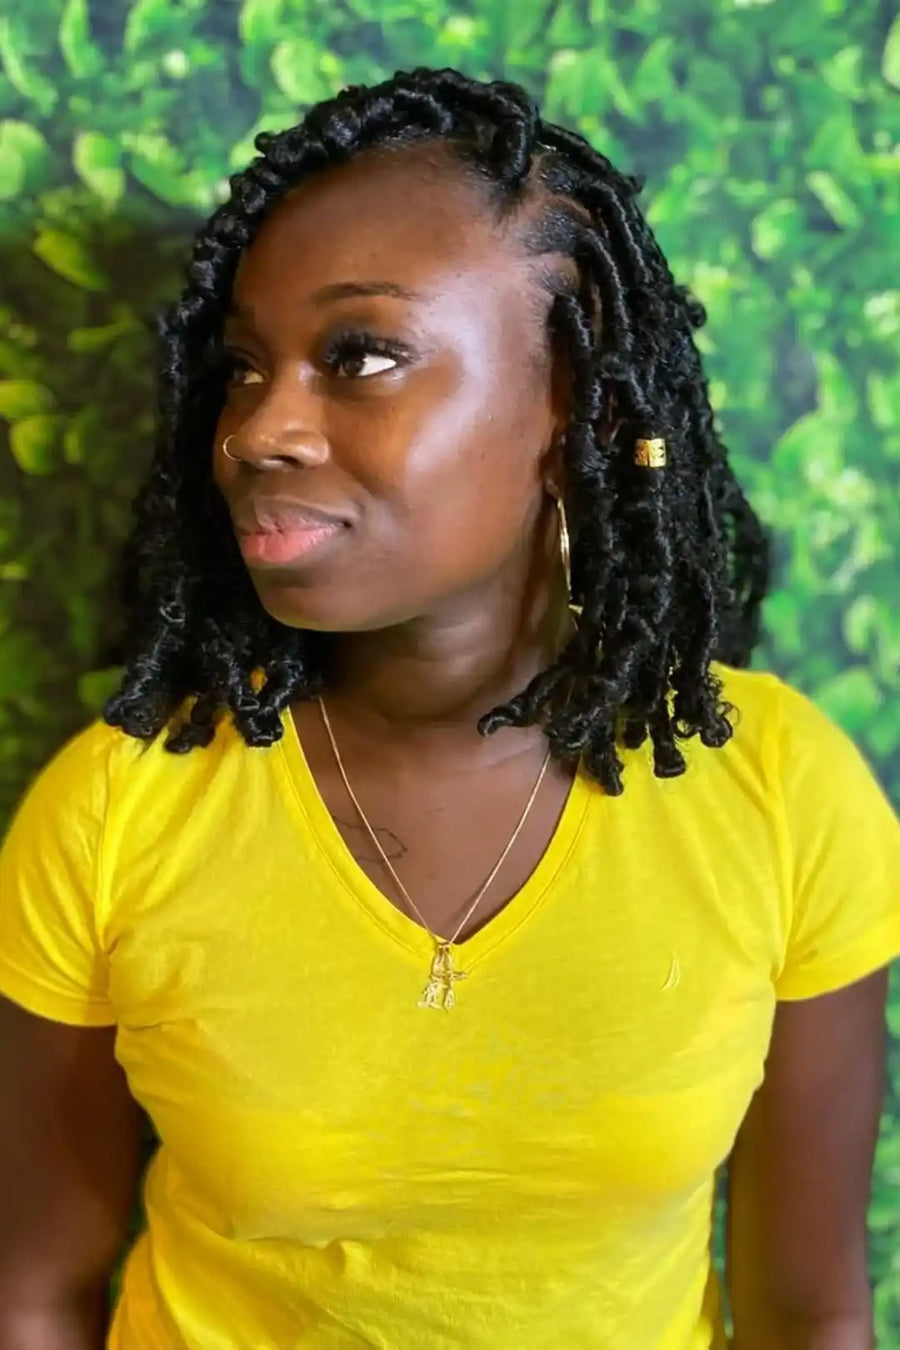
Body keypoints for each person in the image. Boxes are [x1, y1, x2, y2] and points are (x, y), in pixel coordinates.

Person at [0, 65, 898, 1350]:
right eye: (246, 369)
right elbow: (30, 1293)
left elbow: (810, 1308)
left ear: (573, 407)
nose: (261, 429)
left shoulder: (781, 793)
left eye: (360, 354)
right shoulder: (119, 807)